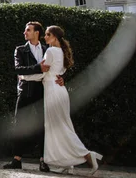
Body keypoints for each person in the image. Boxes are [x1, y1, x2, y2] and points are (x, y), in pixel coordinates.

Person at [35, 26, 103, 174]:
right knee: (61, 126)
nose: (45, 37)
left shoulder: (51, 51)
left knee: (59, 127)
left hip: (52, 91)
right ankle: (65, 163)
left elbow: (42, 70)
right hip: (59, 90)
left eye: (47, 35)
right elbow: (59, 72)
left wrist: (23, 75)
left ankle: (86, 155)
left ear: (54, 37)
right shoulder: (62, 52)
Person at [3, 21, 55, 172]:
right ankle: (16, 159)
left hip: (41, 90)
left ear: (37, 32)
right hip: (25, 90)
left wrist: (60, 77)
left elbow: (54, 68)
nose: (24, 33)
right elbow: (18, 69)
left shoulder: (47, 49)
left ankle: (43, 160)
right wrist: (38, 68)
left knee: (42, 125)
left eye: (28, 30)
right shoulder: (20, 50)